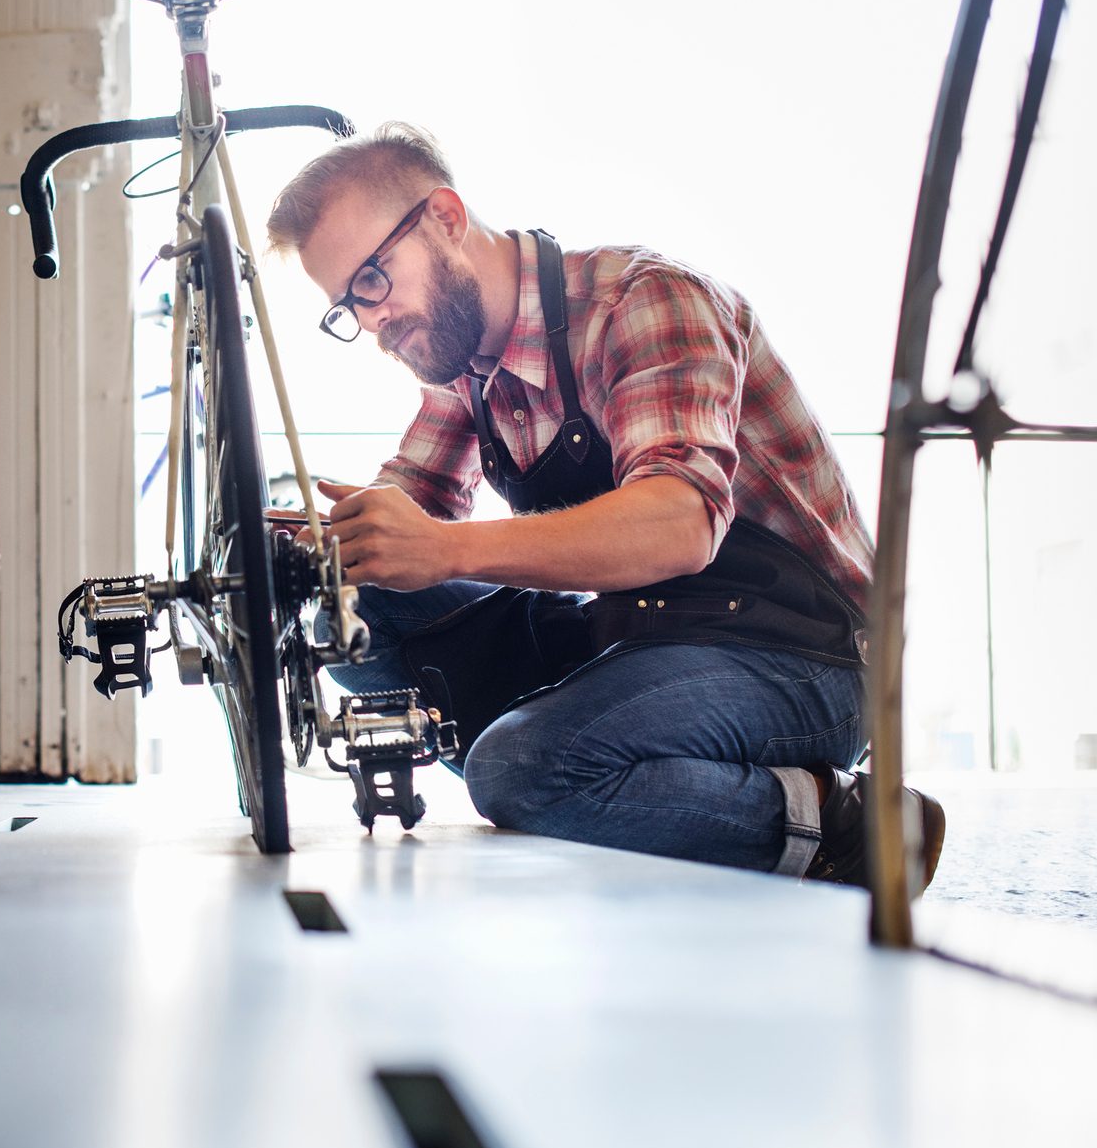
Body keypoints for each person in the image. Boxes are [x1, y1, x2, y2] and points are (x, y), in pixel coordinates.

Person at [263, 122, 945, 890]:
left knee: (521, 767)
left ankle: (842, 822)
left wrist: (448, 550)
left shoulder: (643, 300)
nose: (373, 321)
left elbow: (679, 522)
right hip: (642, 637)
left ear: (446, 219)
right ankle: (616, 772)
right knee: (355, 604)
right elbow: (404, 504)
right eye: (348, 307)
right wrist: (300, 546)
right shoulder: (467, 368)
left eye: (373, 281)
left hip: (804, 657)